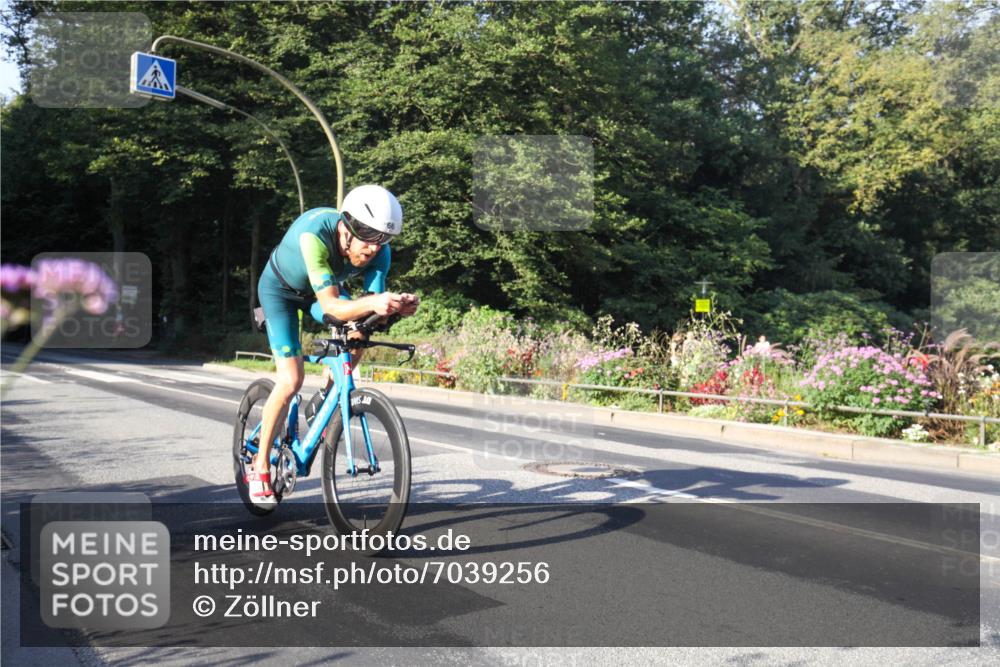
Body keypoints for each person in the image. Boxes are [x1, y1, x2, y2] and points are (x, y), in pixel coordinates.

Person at [250, 184, 419, 507]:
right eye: (368, 238)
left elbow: (370, 312)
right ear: (347, 227)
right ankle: (259, 470)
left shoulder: (380, 252)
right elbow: (330, 307)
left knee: (359, 333)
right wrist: (375, 302)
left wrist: (395, 308)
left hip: (318, 292)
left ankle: (326, 396)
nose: (373, 249)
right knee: (291, 380)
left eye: (382, 240)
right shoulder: (314, 236)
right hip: (280, 292)